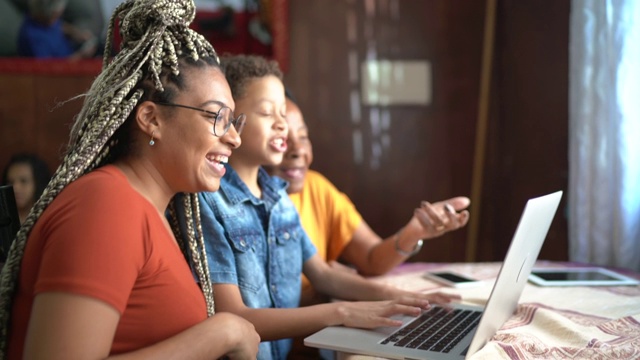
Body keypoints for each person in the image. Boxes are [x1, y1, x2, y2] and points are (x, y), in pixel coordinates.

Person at [0, 0, 260, 359]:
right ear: (151, 119)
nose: (235, 138)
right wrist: (221, 333)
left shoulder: (156, 211)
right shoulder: (105, 206)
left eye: (234, 121)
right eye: (217, 117)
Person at [172, 54, 461, 360]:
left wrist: (402, 298)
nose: (282, 124)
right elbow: (233, 316)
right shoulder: (208, 202)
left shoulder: (279, 197)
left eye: (283, 111)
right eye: (268, 113)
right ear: (232, 119)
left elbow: (322, 274)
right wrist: (342, 311)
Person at [17, 0, 97, 59]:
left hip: (71, 50)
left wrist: (77, 34)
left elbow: (60, 26)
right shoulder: (32, 38)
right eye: (55, 15)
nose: (57, 18)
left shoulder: (46, 20)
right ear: (44, 14)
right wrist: (81, 56)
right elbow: (51, 70)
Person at [1, 153, 51, 224]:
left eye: (23, 181)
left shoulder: (47, 219)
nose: (15, 188)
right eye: (10, 182)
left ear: (38, 183)